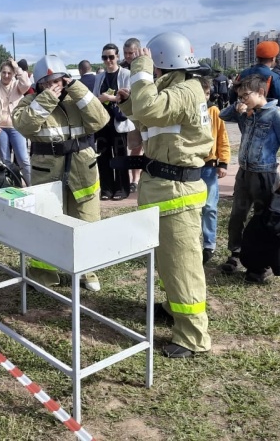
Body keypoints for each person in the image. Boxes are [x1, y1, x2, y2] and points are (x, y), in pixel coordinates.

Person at [117, 32, 213, 358]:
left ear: (161, 61)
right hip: (165, 188)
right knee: (169, 263)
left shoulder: (185, 90)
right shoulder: (176, 89)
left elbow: (150, 108)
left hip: (177, 192)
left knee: (182, 265)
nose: (150, 70)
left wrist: (139, 68)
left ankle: (191, 336)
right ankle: (175, 308)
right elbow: (147, 116)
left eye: (151, 63)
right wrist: (126, 102)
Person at [12, 55, 109, 292]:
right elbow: (24, 125)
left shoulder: (78, 98)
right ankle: (43, 273)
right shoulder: (31, 101)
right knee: (46, 223)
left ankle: (88, 270)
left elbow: (100, 120)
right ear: (38, 84)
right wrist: (46, 100)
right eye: (46, 82)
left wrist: (77, 89)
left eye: (57, 80)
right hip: (47, 173)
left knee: (87, 220)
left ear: (66, 79)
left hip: (81, 171)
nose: (53, 85)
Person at [219, 74, 280, 283]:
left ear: (261, 92)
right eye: (240, 96)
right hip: (244, 173)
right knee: (237, 215)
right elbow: (222, 116)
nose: (243, 99)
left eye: (246, 95)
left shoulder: (276, 115)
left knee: (264, 220)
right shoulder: (245, 113)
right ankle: (235, 254)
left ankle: (262, 264)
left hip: (265, 174)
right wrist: (236, 107)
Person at [0, 59, 32, 185]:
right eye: (4, 72)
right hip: (0, 128)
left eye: (9, 73)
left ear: (13, 74)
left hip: (16, 126)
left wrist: (17, 68)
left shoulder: (17, 85)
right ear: (0, 73)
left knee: (23, 159)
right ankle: (12, 184)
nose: (6, 76)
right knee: (4, 159)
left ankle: (32, 184)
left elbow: (27, 84)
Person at [93, 43, 131, 200]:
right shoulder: (99, 77)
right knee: (103, 156)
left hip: (119, 120)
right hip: (103, 122)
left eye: (111, 57)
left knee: (120, 155)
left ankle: (122, 188)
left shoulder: (126, 74)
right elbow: (95, 97)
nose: (108, 60)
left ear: (117, 57)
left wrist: (110, 98)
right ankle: (106, 188)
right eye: (104, 57)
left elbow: (128, 97)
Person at [198, 77, 230, 265]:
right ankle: (193, 242)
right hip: (190, 167)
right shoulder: (187, 111)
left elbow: (222, 137)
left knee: (209, 207)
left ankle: (209, 244)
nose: (205, 96)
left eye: (208, 93)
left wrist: (223, 162)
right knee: (193, 209)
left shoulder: (214, 111)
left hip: (209, 167)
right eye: (202, 93)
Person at [236, 41, 280, 115]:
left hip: (246, 116)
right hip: (267, 118)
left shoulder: (242, 74)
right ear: (273, 58)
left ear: (257, 57)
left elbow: (233, 96)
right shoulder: (274, 77)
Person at [121, 38, 144, 193]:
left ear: (138, 51)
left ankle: (145, 177)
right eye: (126, 53)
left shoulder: (147, 66)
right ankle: (134, 180)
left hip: (147, 113)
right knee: (135, 149)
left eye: (131, 53)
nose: (128, 56)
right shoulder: (122, 68)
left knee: (150, 149)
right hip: (132, 115)